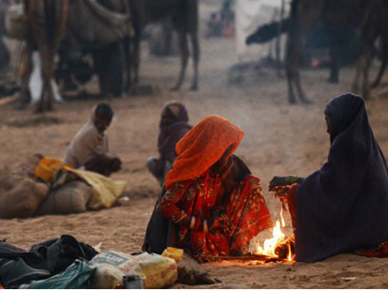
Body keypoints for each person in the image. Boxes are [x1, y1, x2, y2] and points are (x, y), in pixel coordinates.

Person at [269, 93, 388, 263]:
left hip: (366, 228)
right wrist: (292, 180)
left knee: (296, 195)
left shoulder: (347, 144)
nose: (327, 129)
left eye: (328, 121)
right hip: (376, 224)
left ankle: (310, 245)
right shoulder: (366, 143)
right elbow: (334, 181)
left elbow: (330, 186)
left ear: (341, 118)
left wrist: (293, 185)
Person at [143, 115, 271, 260]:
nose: (228, 150)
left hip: (211, 227)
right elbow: (165, 206)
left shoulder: (221, 166)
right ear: (213, 145)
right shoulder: (191, 168)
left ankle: (237, 246)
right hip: (192, 233)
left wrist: (218, 215)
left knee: (250, 184)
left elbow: (226, 195)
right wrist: (201, 224)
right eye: (225, 145)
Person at [63, 103, 121, 176]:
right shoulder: (90, 131)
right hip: (73, 169)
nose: (104, 123)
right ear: (95, 117)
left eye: (107, 120)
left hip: (86, 167)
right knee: (103, 161)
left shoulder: (102, 134)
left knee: (113, 162)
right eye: (101, 119)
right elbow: (86, 160)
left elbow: (103, 154)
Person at [146, 102, 192, 184]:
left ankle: (168, 186)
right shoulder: (165, 131)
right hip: (168, 162)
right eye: (164, 117)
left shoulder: (183, 131)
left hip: (184, 166)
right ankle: (164, 185)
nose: (166, 120)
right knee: (151, 162)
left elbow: (188, 155)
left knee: (170, 163)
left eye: (170, 117)